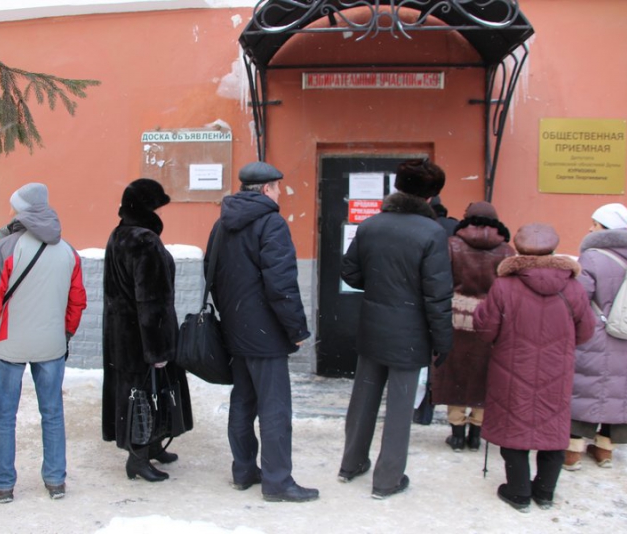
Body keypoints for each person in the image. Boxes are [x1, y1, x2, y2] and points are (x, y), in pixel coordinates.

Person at [338, 158, 453, 499]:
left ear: (398, 187)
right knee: (400, 409)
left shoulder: (371, 225)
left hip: (373, 326)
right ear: (430, 196)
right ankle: (387, 480)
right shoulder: (432, 232)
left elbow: (350, 272)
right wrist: (443, 340)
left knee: (363, 400)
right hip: (411, 333)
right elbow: (437, 294)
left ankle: (351, 464)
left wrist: (380, 286)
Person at [205, 161, 317, 503]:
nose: (280, 193)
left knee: (243, 401)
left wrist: (232, 315)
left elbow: (210, 272)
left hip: (235, 329)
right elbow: (281, 283)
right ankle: (278, 481)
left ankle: (243, 471)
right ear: (267, 189)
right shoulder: (272, 223)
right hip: (266, 334)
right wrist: (296, 328)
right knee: (274, 408)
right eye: (278, 187)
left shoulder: (222, 224)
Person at [0, 183, 87, 503]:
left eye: (13, 205)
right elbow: (76, 301)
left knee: (3, 416)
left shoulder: (7, 247)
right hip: (51, 345)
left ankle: (3, 484)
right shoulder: (68, 251)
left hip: (8, 345)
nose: (9, 211)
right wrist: (65, 335)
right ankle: (55, 480)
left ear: (22, 210)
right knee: (53, 413)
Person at [474, 223, 595, 512]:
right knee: (553, 426)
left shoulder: (504, 286)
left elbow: (486, 330)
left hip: (512, 367)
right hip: (557, 369)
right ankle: (544, 492)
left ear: (519, 249)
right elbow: (586, 331)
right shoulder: (573, 287)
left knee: (513, 425)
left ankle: (518, 492)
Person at [102, 179, 193, 482]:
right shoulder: (145, 240)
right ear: (147, 208)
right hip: (143, 335)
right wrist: (157, 349)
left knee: (141, 391)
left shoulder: (118, 235)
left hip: (122, 333)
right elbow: (151, 301)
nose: (160, 212)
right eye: (157, 206)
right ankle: (138, 458)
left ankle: (152, 445)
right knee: (144, 392)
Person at [430, 201, 515, 451]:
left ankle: (457, 434)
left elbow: (441, 280)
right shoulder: (507, 251)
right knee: (484, 374)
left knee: (454, 372)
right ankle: (476, 434)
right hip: (492, 319)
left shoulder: (452, 245)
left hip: (455, 316)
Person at [565, 203, 627, 470]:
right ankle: (605, 449)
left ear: (605, 228)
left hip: (596, 332)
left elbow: (578, 298)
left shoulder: (593, 257)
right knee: (624, 390)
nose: (590, 228)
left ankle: (573, 451)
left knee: (586, 387)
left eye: (594, 224)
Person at [413, 195, 459, 426]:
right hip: (448, 298)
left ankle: (422, 412)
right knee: (437, 358)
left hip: (420, 300)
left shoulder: (420, 228)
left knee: (422, 363)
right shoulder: (454, 228)